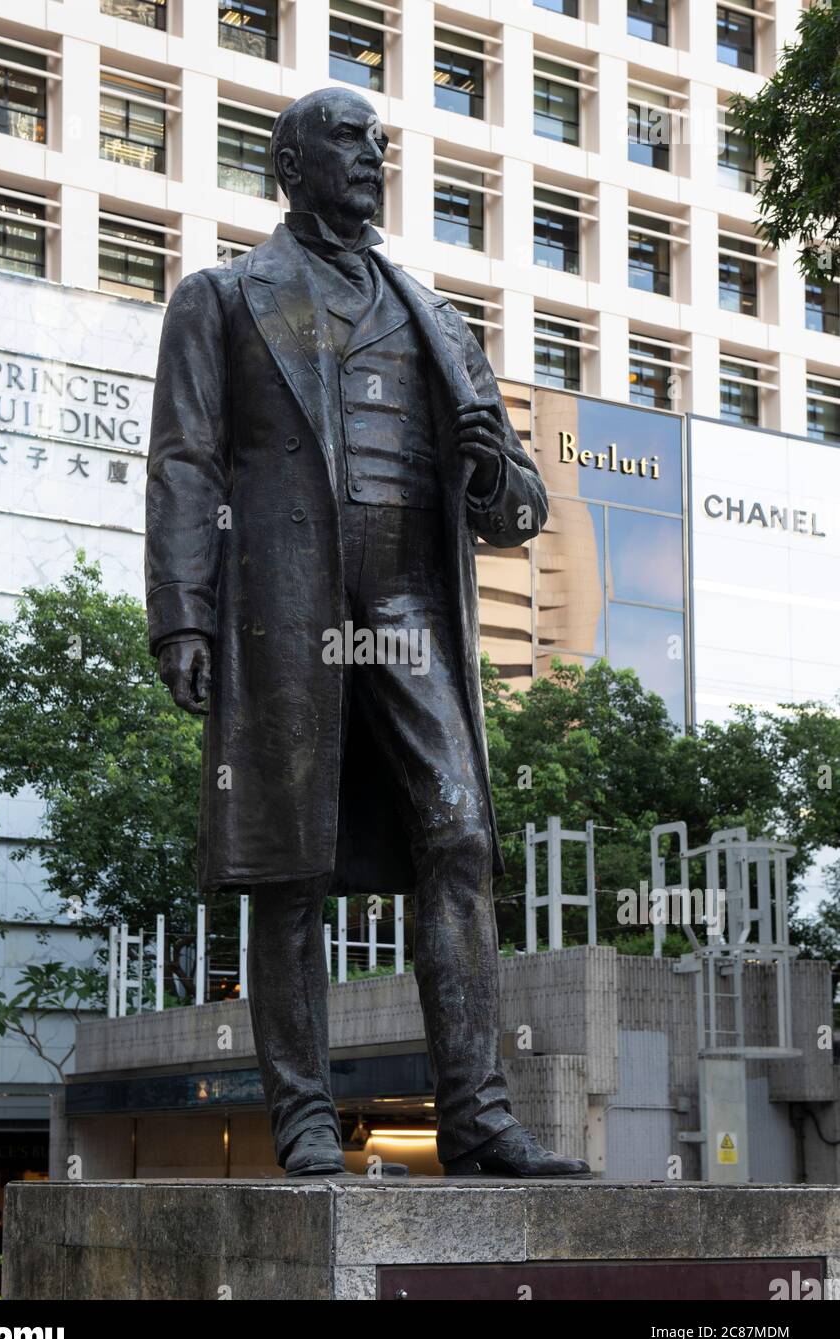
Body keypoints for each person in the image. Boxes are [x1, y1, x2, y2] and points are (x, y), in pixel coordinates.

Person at [145, 87, 589, 1180]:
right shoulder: (223, 301)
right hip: (288, 614)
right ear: (291, 164)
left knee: (462, 835)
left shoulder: (438, 321)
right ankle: (301, 1113)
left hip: (407, 611)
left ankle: (476, 1113)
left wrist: (494, 466)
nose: (373, 156)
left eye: (380, 142)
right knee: (287, 865)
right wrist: (183, 616)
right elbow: (185, 464)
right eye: (348, 140)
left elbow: (517, 508)